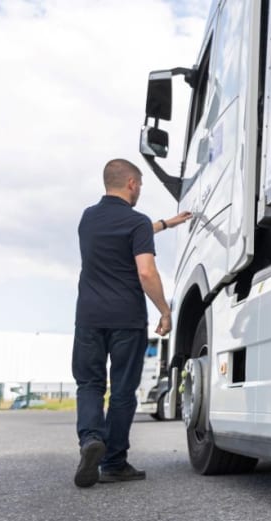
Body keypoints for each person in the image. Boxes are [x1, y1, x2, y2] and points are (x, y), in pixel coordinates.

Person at [72, 159, 191, 488]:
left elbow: (125, 232)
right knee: (123, 391)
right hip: (127, 318)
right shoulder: (135, 222)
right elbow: (146, 271)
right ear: (132, 184)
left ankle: (90, 441)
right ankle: (113, 462)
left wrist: (167, 223)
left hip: (89, 318)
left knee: (90, 385)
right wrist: (165, 310)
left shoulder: (88, 218)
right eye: (140, 185)